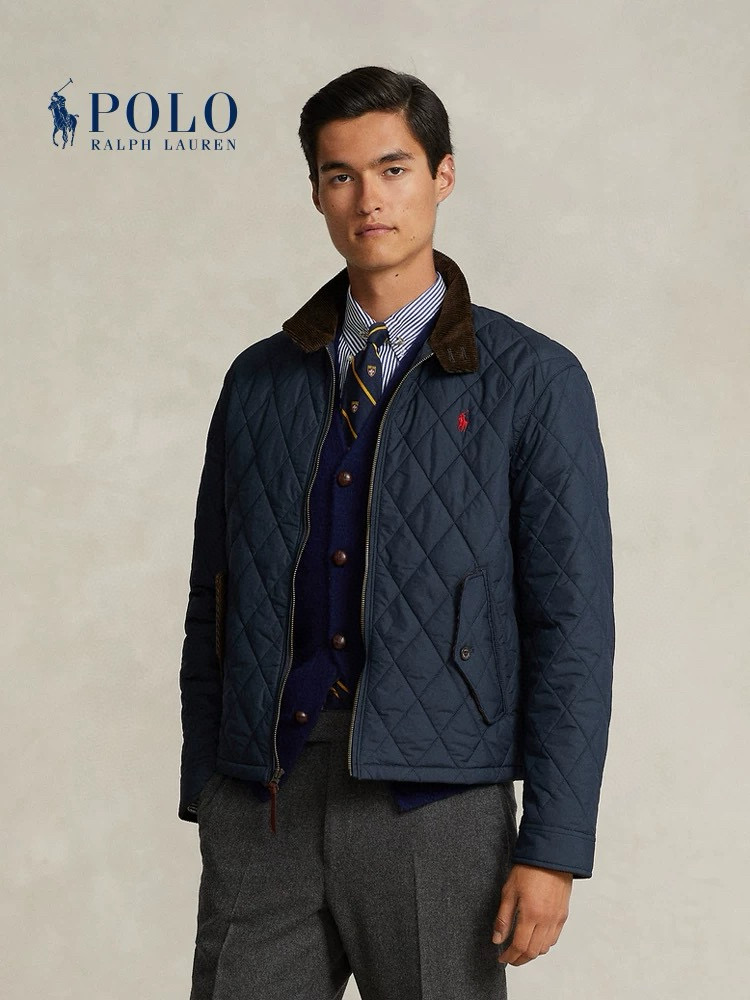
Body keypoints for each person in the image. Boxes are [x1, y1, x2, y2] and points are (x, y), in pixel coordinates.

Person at [179, 65, 615, 1000]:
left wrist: (554, 843)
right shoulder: (257, 382)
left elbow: (572, 628)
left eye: (393, 168)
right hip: (264, 800)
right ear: (316, 192)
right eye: (340, 175)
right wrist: (207, 785)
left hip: (437, 804)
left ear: (442, 175)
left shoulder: (533, 381)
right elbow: (212, 600)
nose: (368, 199)